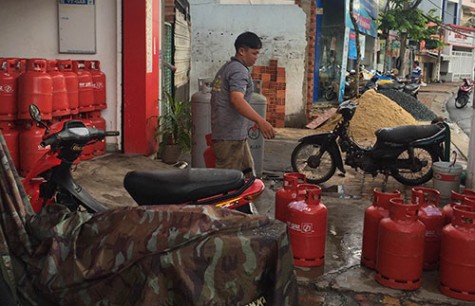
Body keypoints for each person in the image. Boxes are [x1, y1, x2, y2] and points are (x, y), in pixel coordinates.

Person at [210, 31, 276, 172]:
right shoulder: (238, 70)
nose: (256, 58)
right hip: (229, 138)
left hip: (232, 135)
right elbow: (236, 99)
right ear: (241, 51)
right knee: (227, 182)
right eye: (254, 53)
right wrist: (260, 121)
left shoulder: (228, 67)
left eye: (258, 53)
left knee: (248, 175)